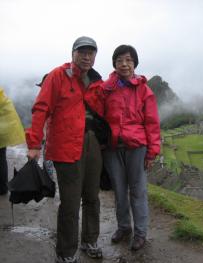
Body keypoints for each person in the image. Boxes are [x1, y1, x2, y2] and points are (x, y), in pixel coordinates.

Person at [26, 36, 105, 263]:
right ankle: (66, 252)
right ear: (73, 54)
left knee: (92, 195)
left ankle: (90, 239)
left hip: (92, 143)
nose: (86, 56)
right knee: (70, 201)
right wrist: (33, 143)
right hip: (65, 144)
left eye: (91, 52)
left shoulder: (96, 80)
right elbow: (41, 108)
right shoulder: (57, 77)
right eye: (82, 52)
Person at [102, 45, 161, 251]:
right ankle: (124, 227)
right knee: (119, 190)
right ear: (114, 64)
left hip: (137, 147)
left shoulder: (144, 90)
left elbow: (152, 123)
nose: (124, 64)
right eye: (119, 60)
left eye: (128, 60)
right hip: (112, 147)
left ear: (134, 63)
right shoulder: (107, 89)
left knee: (138, 191)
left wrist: (152, 152)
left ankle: (141, 232)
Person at [0, 87, 25, 195]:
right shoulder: (3, 97)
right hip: (3, 131)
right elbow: (10, 114)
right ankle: (2, 188)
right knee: (1, 159)